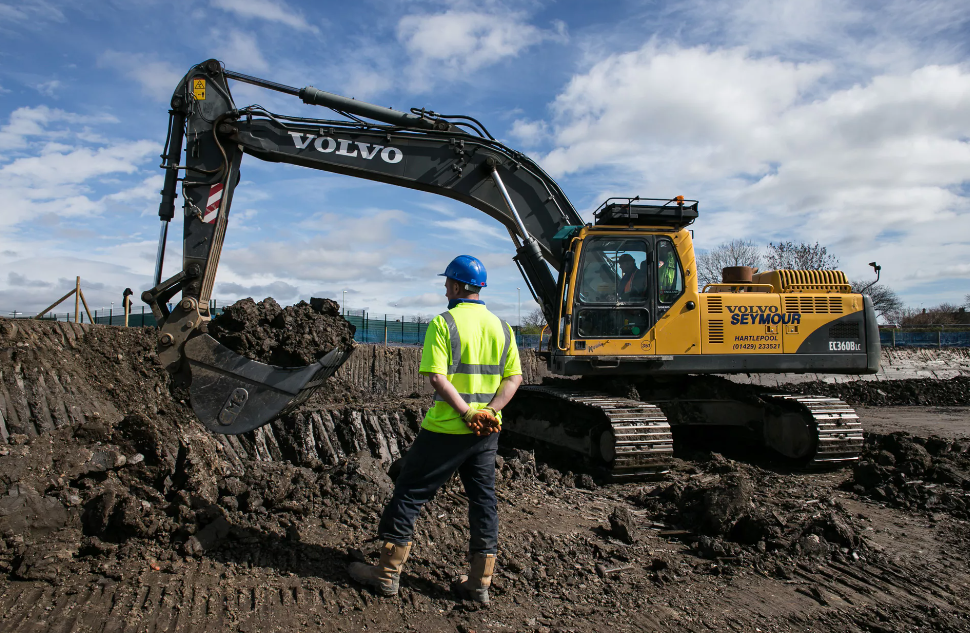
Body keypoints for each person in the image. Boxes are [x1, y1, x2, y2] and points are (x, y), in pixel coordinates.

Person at [348, 254, 523, 604]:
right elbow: (514, 377)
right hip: (486, 433)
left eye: (447, 283)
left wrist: (466, 412)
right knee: (483, 501)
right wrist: (488, 412)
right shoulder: (502, 327)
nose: (445, 288)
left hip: (447, 428)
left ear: (458, 286)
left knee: (409, 493)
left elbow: (436, 377)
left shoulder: (444, 323)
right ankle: (478, 584)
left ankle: (385, 574)